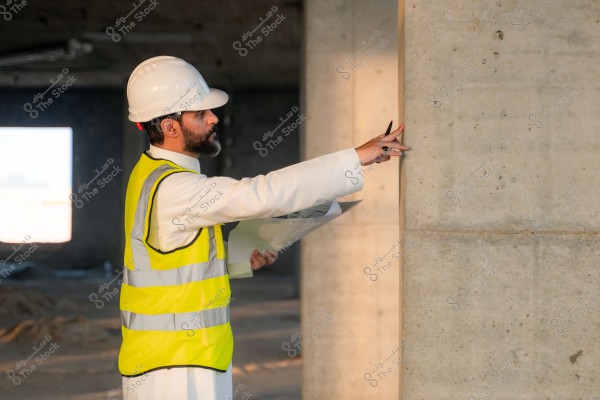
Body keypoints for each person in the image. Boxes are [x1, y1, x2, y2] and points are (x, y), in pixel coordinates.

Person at [119, 55, 408, 400]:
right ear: (170, 127)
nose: (214, 118)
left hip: (178, 357)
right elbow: (262, 194)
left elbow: (165, 263)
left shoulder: (150, 175)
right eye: (200, 114)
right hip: (175, 366)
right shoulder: (173, 189)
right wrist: (355, 157)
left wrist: (235, 262)